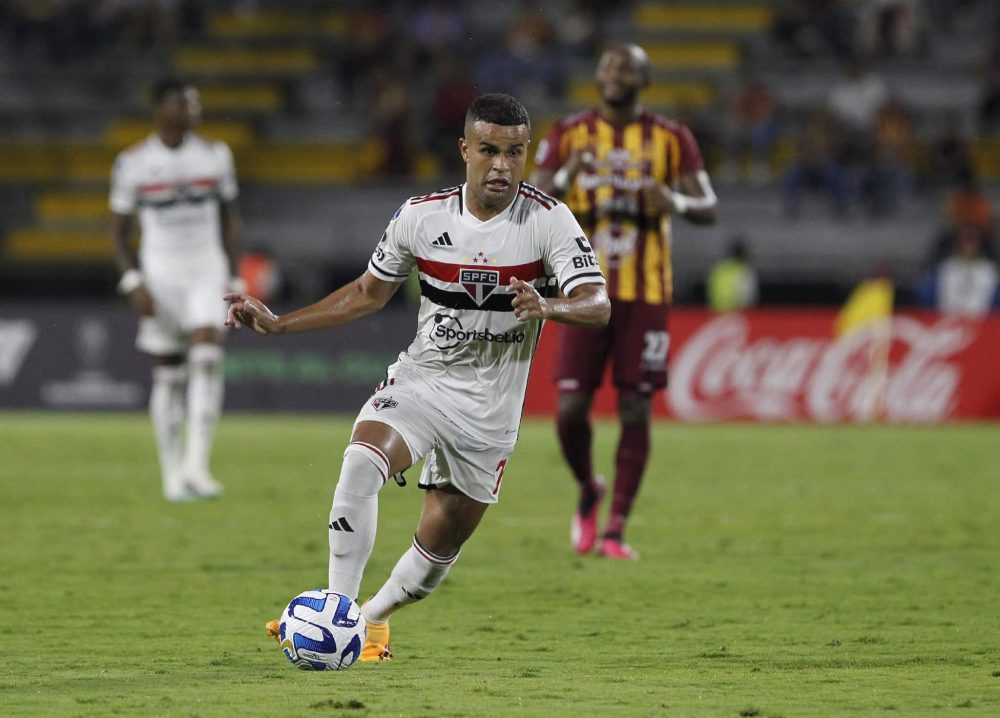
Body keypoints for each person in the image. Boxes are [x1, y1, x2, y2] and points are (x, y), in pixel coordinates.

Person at [228, 94, 610, 661]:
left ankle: (369, 620)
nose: (502, 165)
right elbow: (366, 293)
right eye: (489, 150)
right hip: (423, 381)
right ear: (465, 150)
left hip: (491, 411)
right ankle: (336, 614)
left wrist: (550, 306)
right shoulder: (421, 216)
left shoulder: (547, 220)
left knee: (436, 554)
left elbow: (597, 303)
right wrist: (280, 325)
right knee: (361, 459)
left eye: (515, 152)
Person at [530, 44, 718, 560]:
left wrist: (675, 201)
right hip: (583, 289)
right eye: (609, 66)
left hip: (647, 293)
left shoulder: (672, 137)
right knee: (570, 409)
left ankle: (615, 528)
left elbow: (709, 205)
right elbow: (534, 195)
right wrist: (569, 173)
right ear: (597, 76)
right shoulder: (568, 134)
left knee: (636, 406)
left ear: (645, 79)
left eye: (627, 67)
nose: (616, 74)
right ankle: (590, 487)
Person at [111, 77, 243, 502]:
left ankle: (197, 467)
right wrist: (133, 280)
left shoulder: (215, 156)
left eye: (195, 102)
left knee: (206, 356)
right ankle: (173, 477)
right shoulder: (131, 163)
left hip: (206, 266)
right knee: (168, 374)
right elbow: (117, 231)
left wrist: (236, 276)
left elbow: (228, 219)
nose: (193, 109)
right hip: (160, 271)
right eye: (184, 102)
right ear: (161, 108)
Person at [707, 237, 759, 312]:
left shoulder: (719, 268)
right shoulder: (744, 271)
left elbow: (710, 288)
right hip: (736, 312)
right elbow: (747, 296)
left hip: (716, 312)